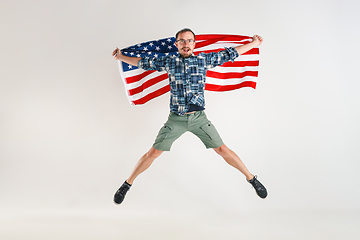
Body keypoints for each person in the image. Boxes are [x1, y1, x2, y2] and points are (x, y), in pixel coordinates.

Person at [112, 28, 267, 204]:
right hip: (176, 119)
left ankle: (252, 179)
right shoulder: (169, 61)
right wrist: (121, 57)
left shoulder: (203, 60)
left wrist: (254, 43)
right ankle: (127, 184)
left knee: (222, 149)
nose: (186, 44)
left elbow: (229, 54)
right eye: (182, 41)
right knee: (153, 152)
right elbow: (142, 62)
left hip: (199, 119)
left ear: (194, 43)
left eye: (189, 41)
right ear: (177, 44)